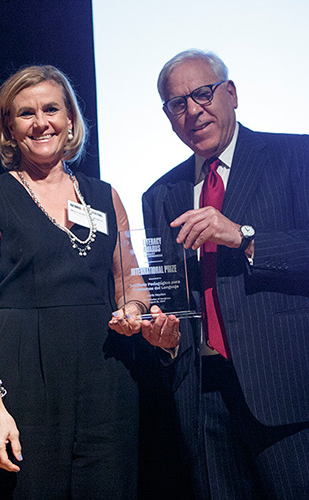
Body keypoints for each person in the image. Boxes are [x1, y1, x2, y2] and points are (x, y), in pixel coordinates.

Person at [0, 65, 177, 500]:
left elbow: (130, 282)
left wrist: (133, 312)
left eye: (51, 109)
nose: (41, 122)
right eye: (25, 113)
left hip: (108, 376)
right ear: (9, 126)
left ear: (71, 120)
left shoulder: (105, 195)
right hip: (28, 380)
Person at [138, 49, 309, 499]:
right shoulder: (161, 193)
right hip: (202, 397)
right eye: (178, 103)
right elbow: (171, 295)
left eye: (203, 94)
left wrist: (244, 237)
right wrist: (166, 336)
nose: (193, 110)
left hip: (286, 389)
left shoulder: (296, 155)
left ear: (230, 94)